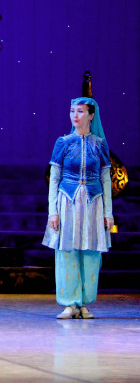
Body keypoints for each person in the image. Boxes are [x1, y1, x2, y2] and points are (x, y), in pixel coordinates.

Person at [43, 97, 113, 319]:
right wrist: (53, 211)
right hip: (68, 200)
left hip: (93, 202)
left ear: (91, 116)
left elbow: (106, 179)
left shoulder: (99, 144)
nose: (75, 115)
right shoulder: (63, 142)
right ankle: (69, 303)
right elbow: (54, 178)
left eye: (81, 111)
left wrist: (108, 213)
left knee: (91, 252)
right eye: (72, 110)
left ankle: (83, 303)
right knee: (67, 250)